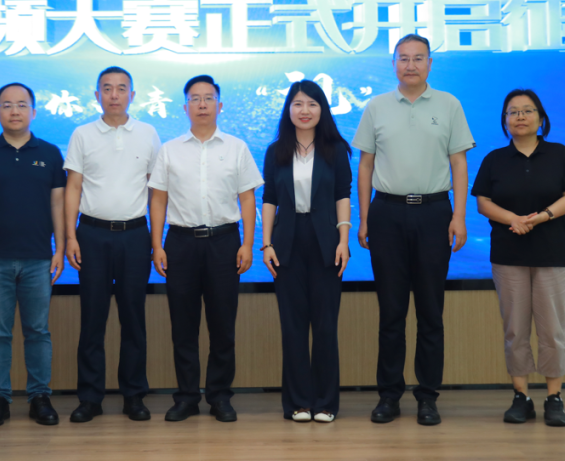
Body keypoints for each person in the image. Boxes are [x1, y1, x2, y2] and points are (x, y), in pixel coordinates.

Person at [352, 34, 474, 426]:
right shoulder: (376, 106)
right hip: (387, 213)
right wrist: (364, 217)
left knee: (430, 311)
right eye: (403, 58)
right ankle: (389, 396)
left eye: (418, 58)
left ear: (430, 64)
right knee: (391, 312)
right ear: (393, 64)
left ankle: (427, 397)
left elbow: (459, 164)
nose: (410, 65)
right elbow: (365, 165)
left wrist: (459, 216)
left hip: (435, 213)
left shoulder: (449, 104)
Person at [149, 75, 263, 423]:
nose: (202, 104)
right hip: (180, 243)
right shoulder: (170, 150)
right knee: (183, 327)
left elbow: (247, 199)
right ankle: (186, 397)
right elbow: (158, 199)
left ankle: (219, 396)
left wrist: (247, 244)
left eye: (208, 98)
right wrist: (156, 245)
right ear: (185, 107)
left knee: (222, 326)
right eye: (195, 99)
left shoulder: (237, 147)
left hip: (224, 242)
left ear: (219, 105)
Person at [471, 88, 565, 428]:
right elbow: (483, 202)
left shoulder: (559, 153)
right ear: (504, 121)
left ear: (541, 118)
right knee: (515, 329)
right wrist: (514, 219)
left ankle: (554, 397)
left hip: (552, 251)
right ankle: (521, 396)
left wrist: (541, 217)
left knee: (552, 329)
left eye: (527, 110)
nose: (520, 116)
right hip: (508, 253)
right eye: (513, 112)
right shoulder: (494, 159)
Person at [0, 83, 66, 428]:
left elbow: (58, 204)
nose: (15, 111)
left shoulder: (50, 153)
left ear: (33, 112)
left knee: (38, 331)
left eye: (22, 105)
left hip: (39, 258)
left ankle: (40, 397)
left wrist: (60, 249)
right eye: (7, 105)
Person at [64, 67, 161, 422]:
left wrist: (156, 242)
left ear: (132, 95)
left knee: (133, 317)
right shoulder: (82, 134)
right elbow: (73, 187)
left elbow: (156, 191)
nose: (114, 95)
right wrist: (70, 236)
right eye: (107, 89)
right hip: (92, 234)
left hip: (135, 235)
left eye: (122, 89)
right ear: (97, 95)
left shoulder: (148, 134)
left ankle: (134, 395)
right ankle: (90, 398)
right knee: (92, 318)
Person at [261, 80, 353, 423]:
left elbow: (343, 195)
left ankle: (326, 403)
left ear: (322, 110)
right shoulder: (276, 151)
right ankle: (299, 403)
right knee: (293, 327)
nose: (305, 110)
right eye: (298, 104)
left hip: (326, 242)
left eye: (312, 104)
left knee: (325, 326)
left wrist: (343, 240)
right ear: (289, 109)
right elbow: (269, 199)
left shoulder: (335, 149)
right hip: (287, 242)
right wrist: (266, 244)